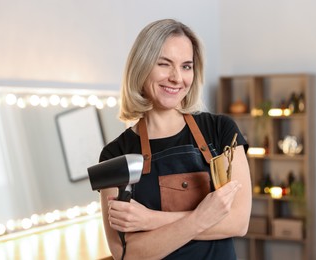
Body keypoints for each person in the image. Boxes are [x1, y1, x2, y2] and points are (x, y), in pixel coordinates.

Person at [98, 18, 251, 260]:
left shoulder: (221, 131)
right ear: (142, 66)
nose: (177, 78)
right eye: (164, 64)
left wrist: (151, 220)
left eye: (186, 66)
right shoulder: (115, 156)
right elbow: (125, 254)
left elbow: (238, 221)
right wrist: (203, 217)